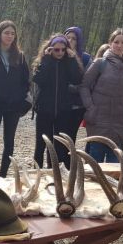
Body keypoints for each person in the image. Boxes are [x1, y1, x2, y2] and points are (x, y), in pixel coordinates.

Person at [79, 28, 123, 162]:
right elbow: (84, 86)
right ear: (110, 43)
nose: (119, 45)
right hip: (98, 121)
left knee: (115, 167)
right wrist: (90, 108)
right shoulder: (100, 63)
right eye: (116, 42)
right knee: (95, 165)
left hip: (119, 122)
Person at [0, 20, 30, 177]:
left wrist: (22, 101)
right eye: (6, 33)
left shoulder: (20, 57)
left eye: (12, 33)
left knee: (9, 141)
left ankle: (3, 174)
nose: (9, 36)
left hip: (13, 106)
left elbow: (25, 81)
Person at [32, 35, 83, 168]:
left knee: (59, 145)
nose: (60, 52)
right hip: (44, 109)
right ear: (50, 49)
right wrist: (47, 59)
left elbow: (77, 79)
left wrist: (72, 60)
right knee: (41, 143)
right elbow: (38, 79)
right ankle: (36, 171)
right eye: (56, 50)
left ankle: (55, 172)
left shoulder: (69, 63)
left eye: (63, 50)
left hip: (63, 110)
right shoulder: (44, 62)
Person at [62, 26, 91, 148]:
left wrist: (67, 87)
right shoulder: (57, 54)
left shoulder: (85, 59)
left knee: (70, 137)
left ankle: (69, 164)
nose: (70, 40)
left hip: (77, 105)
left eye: (73, 38)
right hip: (59, 103)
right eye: (67, 37)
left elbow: (86, 82)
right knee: (58, 136)